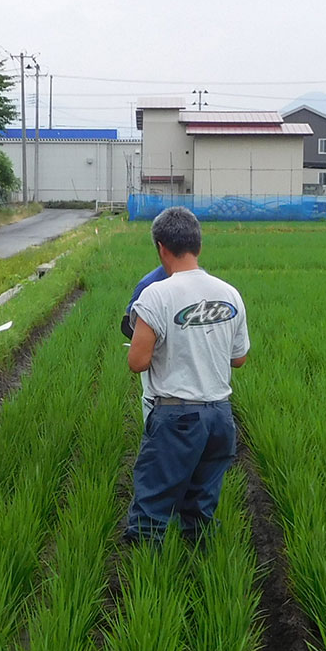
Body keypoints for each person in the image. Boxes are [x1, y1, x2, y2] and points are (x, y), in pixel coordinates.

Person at [124, 207, 249, 544]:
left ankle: (148, 582)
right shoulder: (229, 293)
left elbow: (137, 361)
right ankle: (201, 574)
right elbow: (239, 359)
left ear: (161, 247)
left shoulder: (156, 294)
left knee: (152, 509)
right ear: (199, 245)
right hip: (220, 417)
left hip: (177, 418)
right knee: (200, 511)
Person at [121, 262, 169, 423]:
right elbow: (127, 325)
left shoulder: (149, 284)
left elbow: (137, 363)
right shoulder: (149, 284)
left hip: (170, 397)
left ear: (161, 248)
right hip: (210, 400)